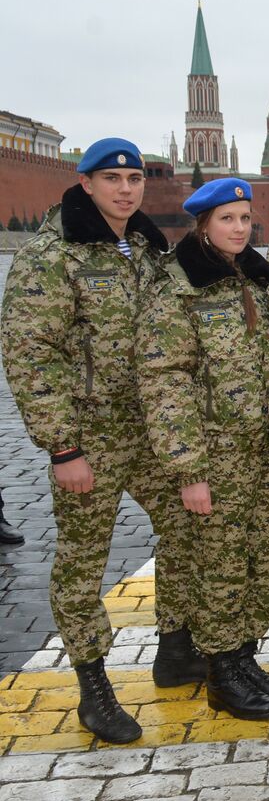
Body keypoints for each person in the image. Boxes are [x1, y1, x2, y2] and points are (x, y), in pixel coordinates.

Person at [1, 138, 202, 743]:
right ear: (84, 183)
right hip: (90, 438)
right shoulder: (51, 256)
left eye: (133, 177)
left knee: (188, 528)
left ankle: (174, 647)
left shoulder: (143, 247)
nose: (125, 188)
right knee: (83, 563)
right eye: (110, 177)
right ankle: (93, 686)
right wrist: (63, 448)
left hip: (151, 432)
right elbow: (31, 356)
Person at [138, 178, 269, 721]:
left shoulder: (256, 276)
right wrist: (189, 470)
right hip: (217, 454)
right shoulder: (178, 288)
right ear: (202, 224)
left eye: (244, 219)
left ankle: (243, 655)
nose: (238, 228)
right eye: (226, 219)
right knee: (222, 564)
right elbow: (165, 382)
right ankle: (222, 672)